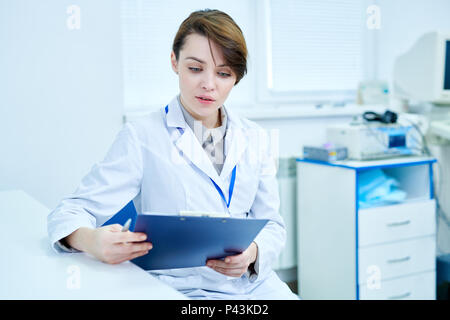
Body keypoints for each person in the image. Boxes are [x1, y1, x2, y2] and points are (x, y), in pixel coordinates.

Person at [47, 9, 298, 300]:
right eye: (195, 68)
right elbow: (69, 211)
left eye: (223, 73)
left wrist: (253, 252)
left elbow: (273, 225)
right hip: (179, 287)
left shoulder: (255, 138)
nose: (208, 84)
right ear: (174, 62)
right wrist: (91, 240)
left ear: (236, 78)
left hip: (251, 286)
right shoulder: (142, 136)